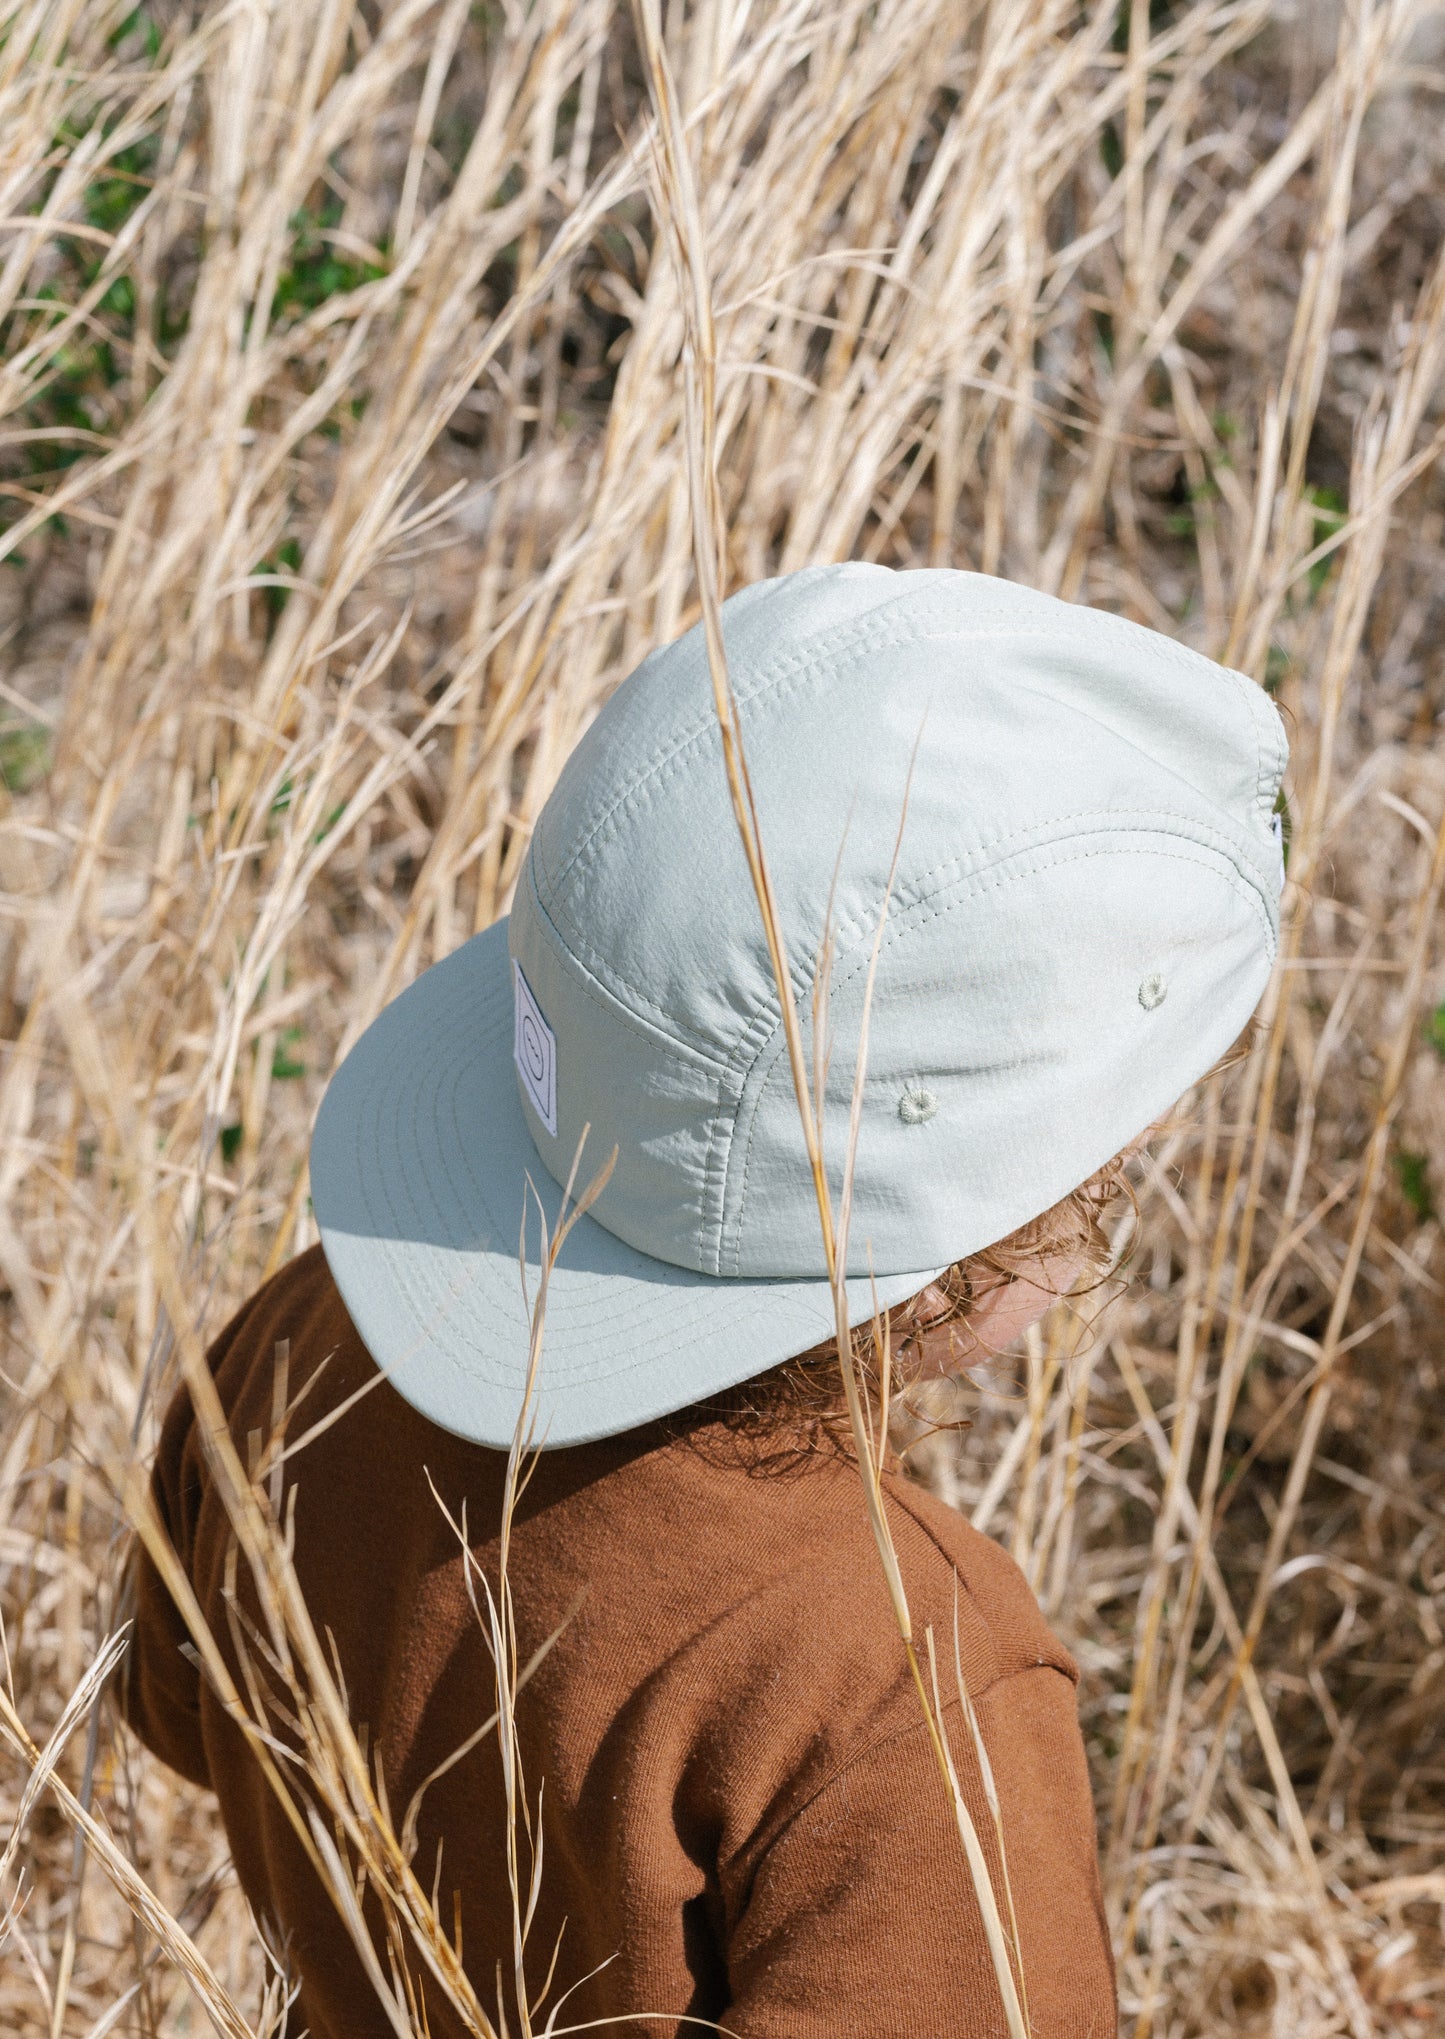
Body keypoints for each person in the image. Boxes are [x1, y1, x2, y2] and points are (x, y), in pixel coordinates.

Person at [120, 564, 1287, 2039]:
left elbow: (179, 1713)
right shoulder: (895, 1668)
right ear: (1013, 1214)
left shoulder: (309, 1341)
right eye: (1123, 1148)